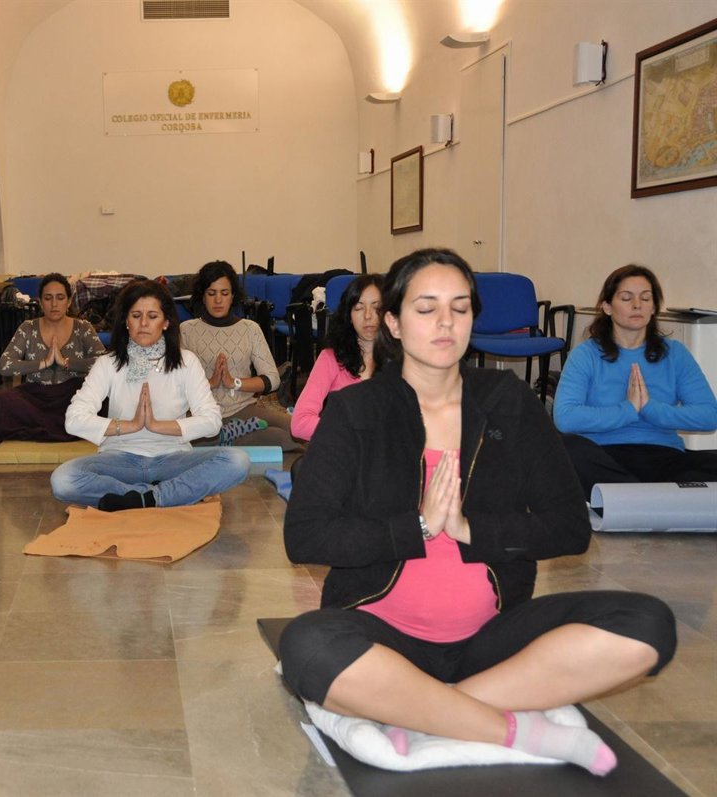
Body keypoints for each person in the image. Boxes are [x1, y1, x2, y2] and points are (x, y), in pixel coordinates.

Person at [279, 248, 675, 776]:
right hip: (381, 638)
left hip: (492, 639)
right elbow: (305, 536)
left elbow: (569, 527)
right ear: (393, 323)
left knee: (647, 624)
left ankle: (426, 712)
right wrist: (417, 526)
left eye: (460, 307)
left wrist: (471, 529)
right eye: (426, 308)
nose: (446, 322)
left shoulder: (508, 401)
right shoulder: (356, 410)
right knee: (307, 646)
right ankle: (515, 729)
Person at [50, 279, 251, 511]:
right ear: (126, 321)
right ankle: (159, 495)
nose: (144, 323)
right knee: (63, 480)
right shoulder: (107, 363)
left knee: (237, 461)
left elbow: (212, 421)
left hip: (173, 458)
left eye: (152, 316)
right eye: (136, 316)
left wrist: (157, 426)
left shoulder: (186, 361)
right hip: (119, 460)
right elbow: (74, 419)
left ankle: (143, 498)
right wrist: (130, 425)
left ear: (166, 322)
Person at [554, 264, 717, 499]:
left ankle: (632, 499)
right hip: (604, 456)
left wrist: (650, 408)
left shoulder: (675, 354)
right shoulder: (586, 355)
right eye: (626, 298)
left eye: (646, 298)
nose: (637, 305)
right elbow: (565, 418)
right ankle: (656, 499)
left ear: (654, 308)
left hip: (664, 457)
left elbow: (709, 415)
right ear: (607, 307)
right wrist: (628, 409)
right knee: (567, 449)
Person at [179, 260, 300, 450]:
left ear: (233, 295)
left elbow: (272, 379)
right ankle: (229, 436)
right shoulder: (186, 330)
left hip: (243, 409)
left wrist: (234, 383)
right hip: (202, 414)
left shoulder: (250, 328)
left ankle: (230, 436)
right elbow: (176, 386)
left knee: (297, 430)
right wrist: (210, 383)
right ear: (202, 296)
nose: (218, 300)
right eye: (211, 293)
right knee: (279, 437)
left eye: (224, 293)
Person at [0, 273, 106, 442]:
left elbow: (104, 363)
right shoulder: (28, 328)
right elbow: (4, 366)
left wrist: (67, 362)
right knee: (1, 401)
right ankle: (65, 427)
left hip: (73, 397)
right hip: (36, 398)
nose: (54, 304)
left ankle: (60, 426)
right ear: (41, 302)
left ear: (69, 301)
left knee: (105, 400)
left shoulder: (83, 327)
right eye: (48, 298)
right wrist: (43, 363)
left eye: (60, 298)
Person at [291, 273, 383, 441]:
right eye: (359, 308)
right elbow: (300, 423)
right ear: (349, 316)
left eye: (376, 307)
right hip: (344, 449)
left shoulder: (405, 360)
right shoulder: (330, 358)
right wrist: (351, 434)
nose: (368, 316)